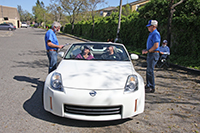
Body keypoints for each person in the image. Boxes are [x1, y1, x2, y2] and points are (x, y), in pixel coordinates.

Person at [142, 20, 161, 93]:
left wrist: (148, 51)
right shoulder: (151, 34)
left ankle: (151, 86)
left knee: (150, 70)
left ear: (153, 26)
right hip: (150, 53)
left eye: (149, 26)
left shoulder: (155, 34)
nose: (148, 28)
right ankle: (148, 84)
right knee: (148, 70)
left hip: (153, 53)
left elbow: (156, 45)